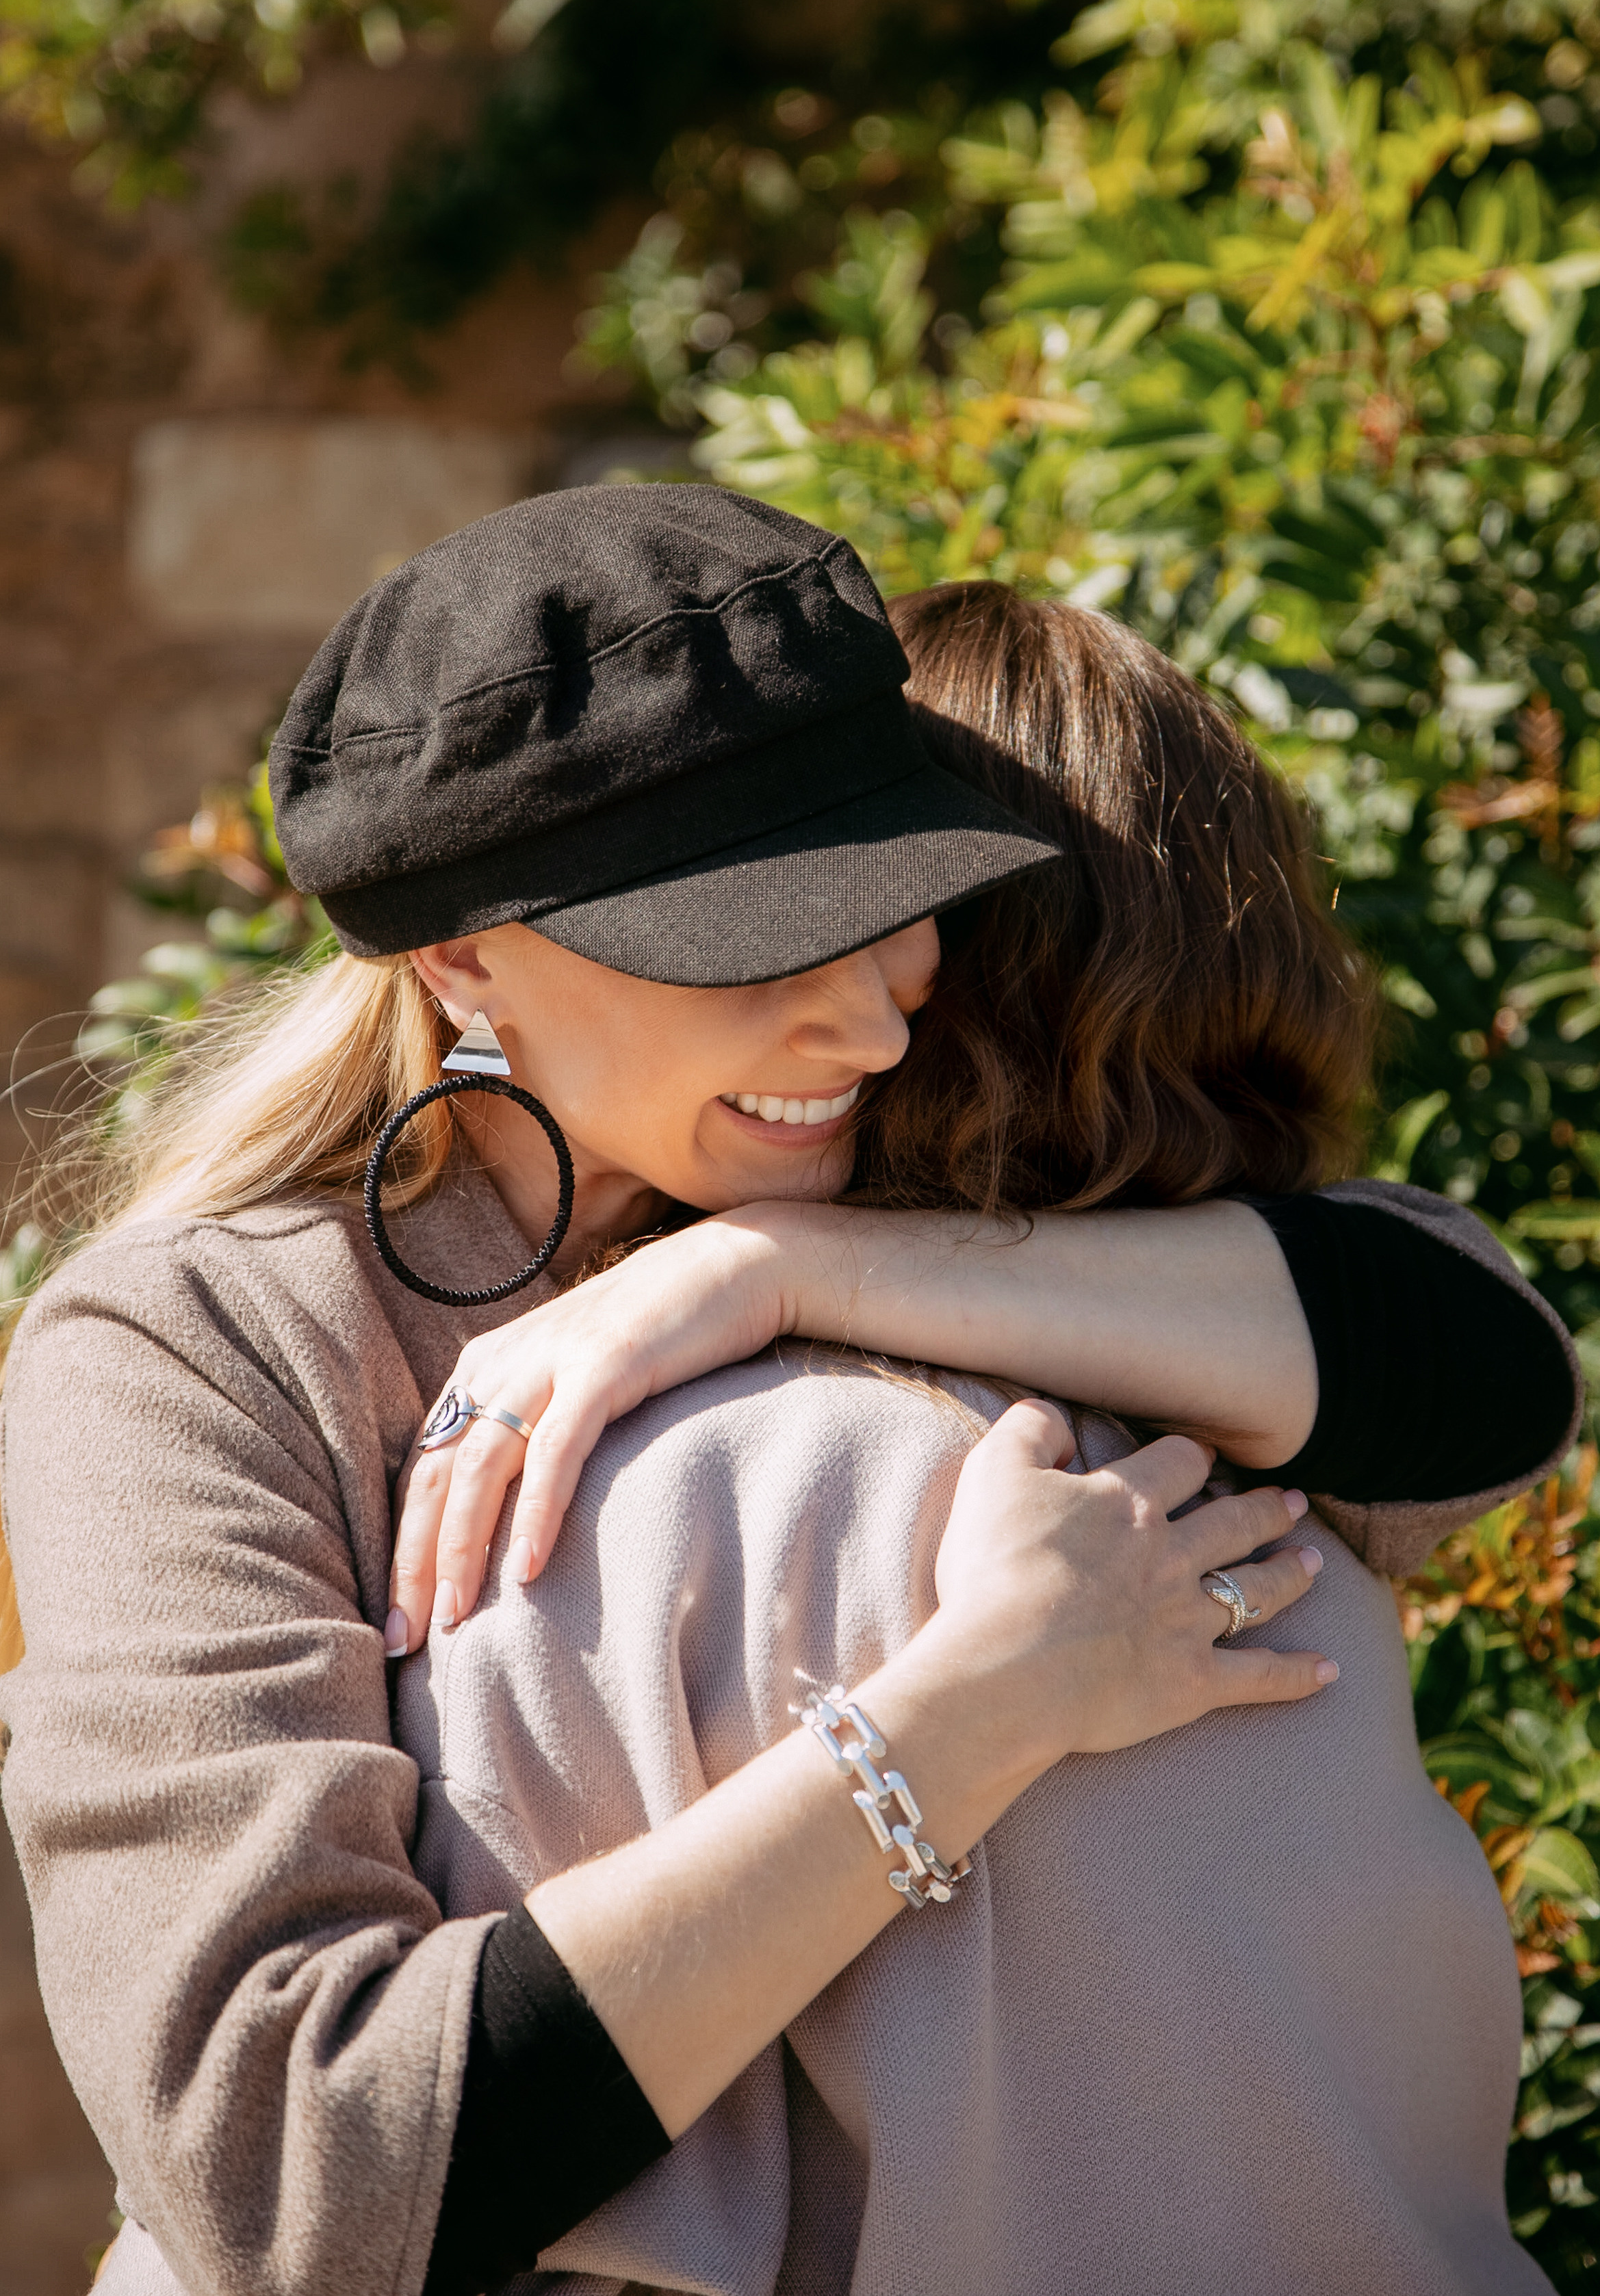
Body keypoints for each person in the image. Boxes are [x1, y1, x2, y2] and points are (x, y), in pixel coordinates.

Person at [0, 495, 1568, 2296]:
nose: (872, 1024)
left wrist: (775, 1270)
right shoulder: (194, 1346)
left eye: (898, 906)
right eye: (754, 939)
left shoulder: (898, 1178)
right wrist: (969, 1710)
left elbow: (1474, 1384)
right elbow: (293, 2160)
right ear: (459, 956)